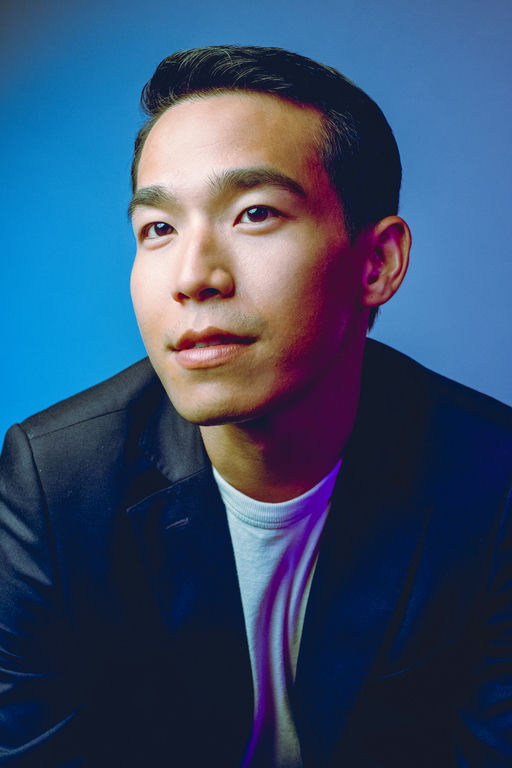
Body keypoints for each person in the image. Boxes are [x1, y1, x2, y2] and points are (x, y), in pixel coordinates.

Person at [0, 45, 511, 768]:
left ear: (377, 263)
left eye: (255, 213)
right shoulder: (57, 484)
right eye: (158, 229)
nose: (193, 276)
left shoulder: (492, 482)